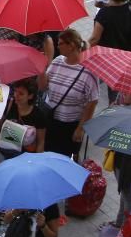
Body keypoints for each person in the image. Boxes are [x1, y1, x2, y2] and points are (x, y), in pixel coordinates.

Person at [39, 28, 98, 160]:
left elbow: (92, 101)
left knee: (63, 160)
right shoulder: (58, 61)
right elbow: (43, 87)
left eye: (60, 44)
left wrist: (80, 128)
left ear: (71, 45)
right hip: (50, 120)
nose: (57, 46)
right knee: (46, 157)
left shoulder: (89, 71)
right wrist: (41, 69)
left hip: (70, 126)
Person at [90, 0, 131, 103]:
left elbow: (94, 38)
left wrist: (82, 48)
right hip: (127, 59)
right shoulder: (129, 9)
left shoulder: (104, 13)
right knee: (125, 89)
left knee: (113, 91)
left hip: (110, 60)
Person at [0, 77, 47, 155]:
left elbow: (40, 142)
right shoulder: (9, 105)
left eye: (21, 93)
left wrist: (36, 161)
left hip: (26, 157)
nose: (16, 95)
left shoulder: (39, 115)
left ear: (30, 96)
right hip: (5, 153)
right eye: (15, 91)